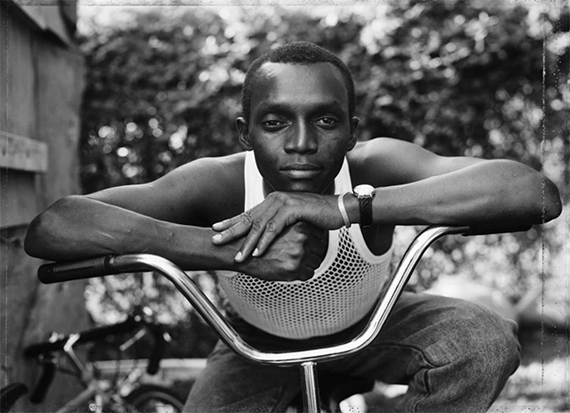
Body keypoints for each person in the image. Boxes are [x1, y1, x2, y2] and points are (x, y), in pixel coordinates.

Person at [25, 41, 562, 412]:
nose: (302, 142)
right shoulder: (217, 184)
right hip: (250, 344)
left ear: (352, 131)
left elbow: (533, 191)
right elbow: (54, 226)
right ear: (246, 133)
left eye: (326, 121)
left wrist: (347, 208)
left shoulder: (373, 167)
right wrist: (226, 250)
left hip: (378, 323)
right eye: (276, 122)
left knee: (483, 341)